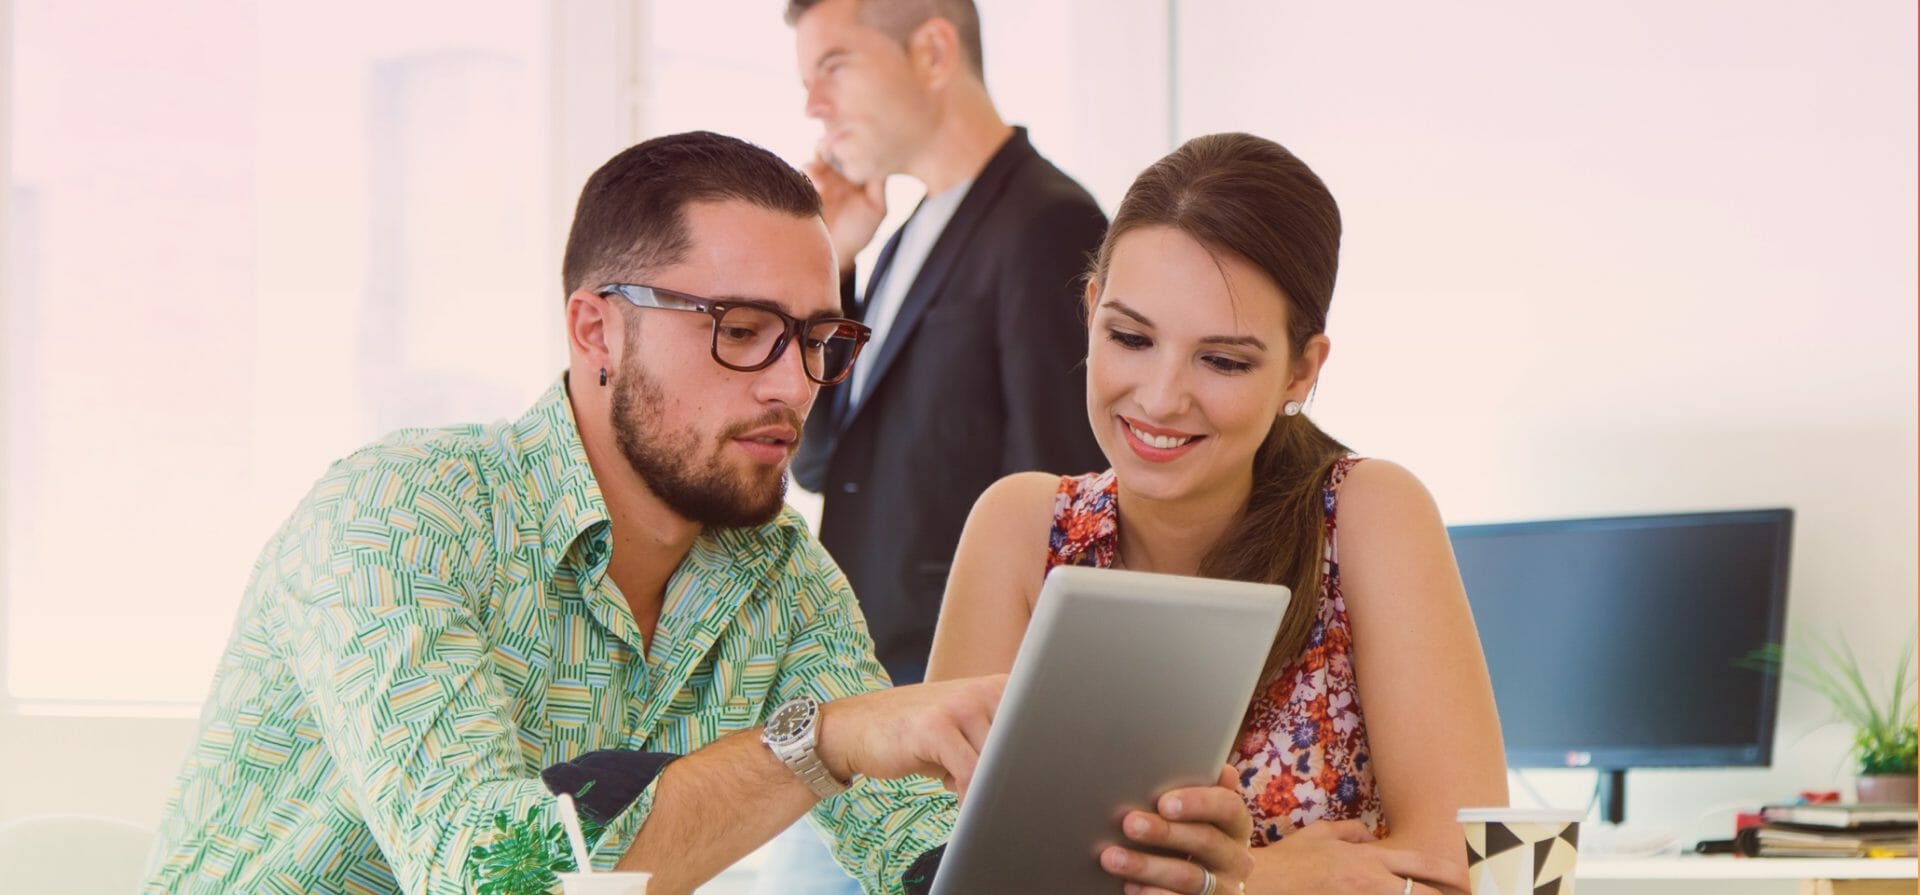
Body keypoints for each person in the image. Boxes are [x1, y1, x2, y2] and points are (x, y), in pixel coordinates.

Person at [141, 132, 1251, 895]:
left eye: (820, 338)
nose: (791, 384)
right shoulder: (399, 518)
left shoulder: (778, 575)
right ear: (595, 332)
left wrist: (1125, 854)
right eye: (739, 328)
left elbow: (910, 850)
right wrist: (820, 742)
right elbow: (501, 875)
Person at [925, 133, 1511, 895]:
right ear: (1090, 309)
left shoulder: (1370, 513)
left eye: (1223, 360)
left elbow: (1511, 875)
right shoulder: (1019, 526)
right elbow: (942, 869)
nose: (1162, 397)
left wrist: (1239, 884)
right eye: (1131, 337)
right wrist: (1270, 878)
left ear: (1303, 369)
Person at [785, 0, 1108, 686]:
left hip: (961, 677)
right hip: (870, 669)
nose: (814, 104)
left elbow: (1060, 495)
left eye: (833, 67)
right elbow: (816, 461)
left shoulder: (1049, 221)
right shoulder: (901, 235)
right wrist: (834, 266)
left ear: (932, 53)